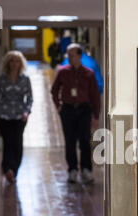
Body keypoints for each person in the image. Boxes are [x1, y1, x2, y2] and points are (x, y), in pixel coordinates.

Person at [51, 43, 100, 184]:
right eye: (68, 55)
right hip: (67, 110)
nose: (69, 58)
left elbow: (95, 96)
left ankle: (86, 169)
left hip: (84, 110)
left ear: (79, 55)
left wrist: (96, 115)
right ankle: (72, 169)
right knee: (70, 141)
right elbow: (54, 91)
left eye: (72, 55)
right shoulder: (63, 71)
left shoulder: (89, 74)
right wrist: (58, 106)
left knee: (85, 141)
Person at [0, 50, 33, 184]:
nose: (14, 64)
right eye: (12, 61)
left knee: (17, 143)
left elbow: (30, 98)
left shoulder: (25, 79)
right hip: (4, 115)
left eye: (17, 61)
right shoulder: (1, 79)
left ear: (21, 63)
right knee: (7, 142)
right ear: (7, 63)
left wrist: (27, 112)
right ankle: (7, 169)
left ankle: (14, 169)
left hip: (20, 115)